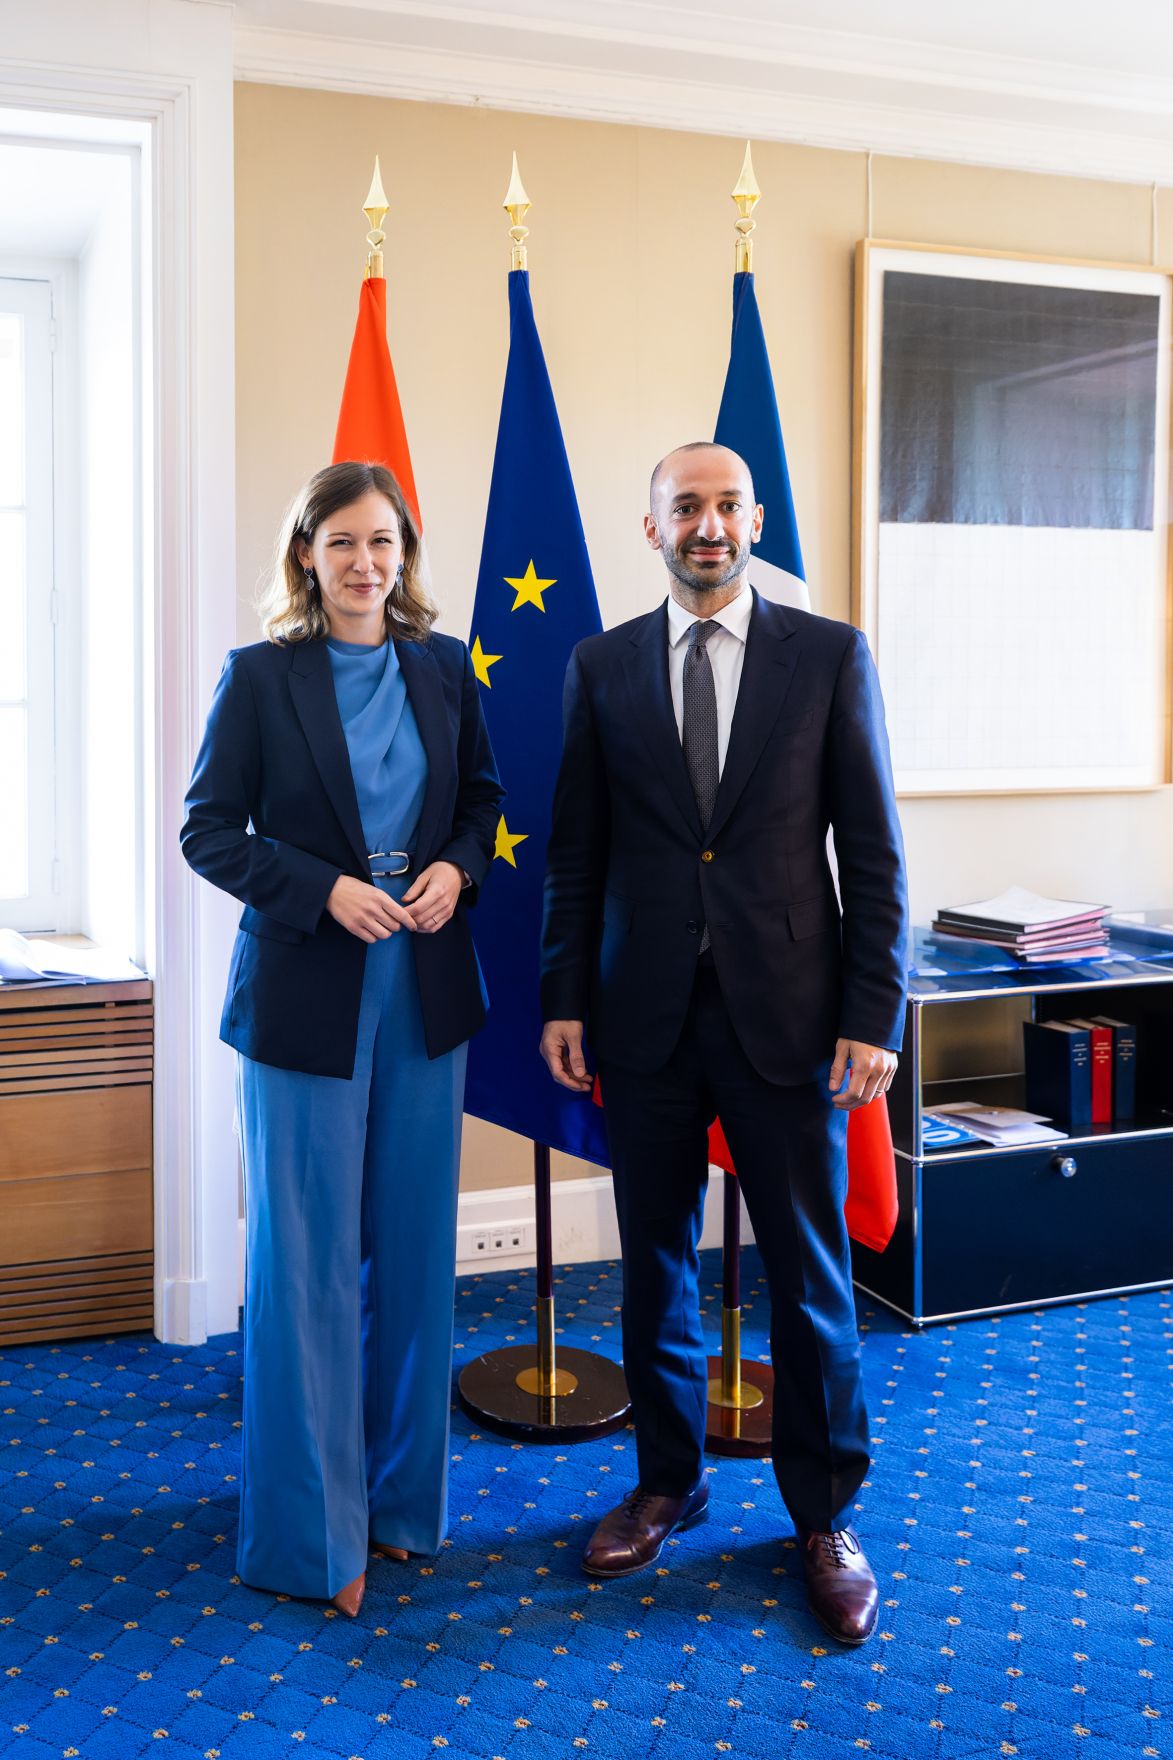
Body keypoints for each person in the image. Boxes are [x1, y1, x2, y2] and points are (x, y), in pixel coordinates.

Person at [539, 442, 908, 1646]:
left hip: (791, 1016)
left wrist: (874, 1012)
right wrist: (562, 998)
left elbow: (875, 852)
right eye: (684, 506)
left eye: (726, 505)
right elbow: (576, 854)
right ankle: (667, 1479)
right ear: (651, 527)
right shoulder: (600, 665)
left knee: (808, 1276)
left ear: (755, 520)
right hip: (640, 1012)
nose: (708, 524)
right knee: (653, 1263)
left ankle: (823, 1515)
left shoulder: (831, 655)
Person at [181, 460, 503, 1618]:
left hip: (424, 984)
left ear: (404, 553)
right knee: (306, 1260)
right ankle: (312, 1537)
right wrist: (321, 889)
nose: (366, 563)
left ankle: (402, 1507)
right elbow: (207, 831)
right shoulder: (260, 676)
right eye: (342, 543)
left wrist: (457, 867)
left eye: (383, 542)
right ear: (306, 556)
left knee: (414, 1253)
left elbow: (481, 801)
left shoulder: (446, 667)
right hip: (306, 991)